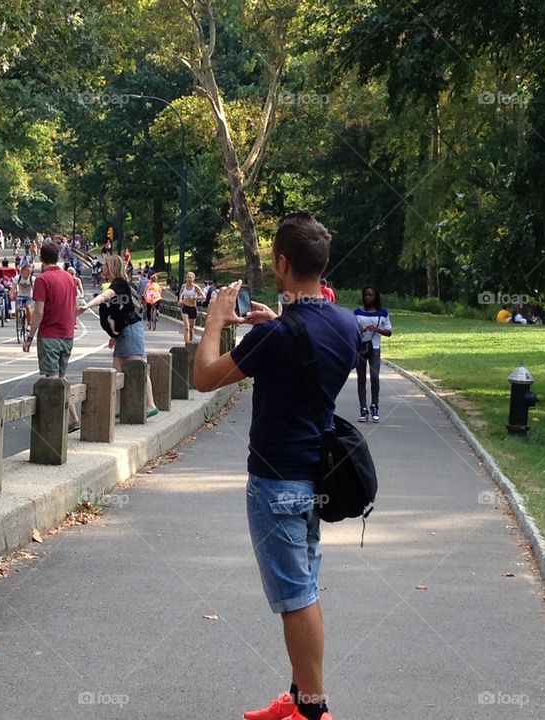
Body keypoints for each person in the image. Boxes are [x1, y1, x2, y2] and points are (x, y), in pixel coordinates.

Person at [194, 212, 358, 720]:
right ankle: (299, 694)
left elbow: (203, 378)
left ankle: (313, 709)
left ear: (283, 264)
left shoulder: (276, 338)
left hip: (277, 480)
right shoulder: (345, 322)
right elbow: (306, 358)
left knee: (296, 597)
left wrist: (217, 321)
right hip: (318, 473)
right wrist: (273, 328)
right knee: (304, 585)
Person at [79, 255, 157, 416]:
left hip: (131, 329)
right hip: (124, 331)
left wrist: (87, 305)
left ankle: (151, 405)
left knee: (138, 366)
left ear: (112, 267)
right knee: (117, 370)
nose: (102, 268)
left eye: (105, 265)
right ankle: (117, 409)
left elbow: (105, 296)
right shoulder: (117, 284)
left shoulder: (119, 283)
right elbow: (117, 311)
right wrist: (114, 335)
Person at [23, 241, 82, 432]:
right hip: (67, 335)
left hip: (50, 334)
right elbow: (73, 307)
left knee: (52, 380)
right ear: (58, 257)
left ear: (41, 258)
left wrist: (30, 336)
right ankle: (73, 418)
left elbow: (38, 311)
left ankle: (55, 424)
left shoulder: (42, 280)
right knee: (61, 378)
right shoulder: (69, 278)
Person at [354, 286, 392, 423]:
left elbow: (389, 332)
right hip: (361, 349)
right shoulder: (357, 312)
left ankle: (375, 405)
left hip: (375, 348)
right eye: (366, 295)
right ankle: (363, 409)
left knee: (375, 377)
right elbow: (352, 329)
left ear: (375, 297)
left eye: (371, 295)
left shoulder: (382, 313)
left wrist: (376, 329)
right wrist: (360, 330)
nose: (368, 298)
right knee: (361, 378)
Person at [179, 271, 206, 344]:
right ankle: (186, 344)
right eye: (187, 277)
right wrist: (180, 300)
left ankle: (190, 343)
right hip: (185, 307)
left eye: (190, 277)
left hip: (193, 308)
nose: (188, 279)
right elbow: (181, 294)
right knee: (187, 328)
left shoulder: (195, 287)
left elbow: (203, 297)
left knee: (191, 329)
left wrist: (195, 298)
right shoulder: (183, 286)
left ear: (193, 279)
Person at [13, 263, 35, 328]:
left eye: (30, 271)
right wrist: (11, 293)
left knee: (28, 308)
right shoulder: (18, 278)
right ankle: (19, 322)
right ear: (22, 271)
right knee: (17, 309)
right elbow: (13, 287)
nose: (28, 273)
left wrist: (35, 295)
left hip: (29, 297)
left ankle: (29, 324)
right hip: (20, 296)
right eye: (27, 271)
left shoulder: (32, 279)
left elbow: (34, 288)